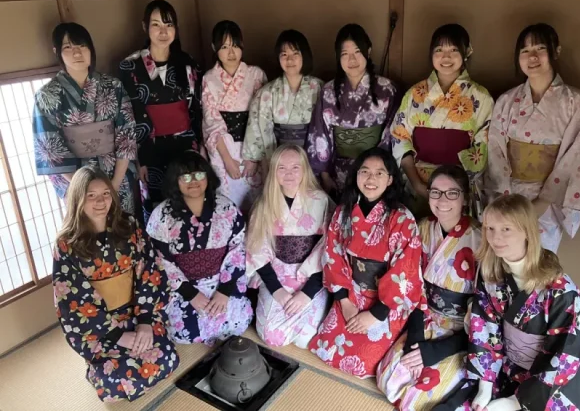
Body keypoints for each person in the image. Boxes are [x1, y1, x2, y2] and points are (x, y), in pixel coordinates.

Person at [52, 166, 178, 402]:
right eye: (91, 195)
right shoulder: (67, 244)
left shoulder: (129, 225)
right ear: (78, 198)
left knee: (167, 358)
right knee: (113, 382)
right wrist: (117, 335)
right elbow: (71, 299)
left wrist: (145, 322)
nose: (100, 201)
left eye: (105, 194)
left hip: (137, 312)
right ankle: (101, 370)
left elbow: (150, 271)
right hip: (101, 326)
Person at [308, 147, 423, 378]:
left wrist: (376, 314)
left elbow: (406, 271)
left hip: (385, 301)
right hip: (351, 293)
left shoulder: (402, 219)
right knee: (325, 347)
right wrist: (344, 301)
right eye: (365, 171)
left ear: (390, 179)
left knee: (362, 362)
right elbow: (333, 255)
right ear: (356, 175)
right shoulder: (344, 212)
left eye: (380, 173)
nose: (371, 179)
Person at [468, 194, 580, 411]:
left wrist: (514, 402)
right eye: (490, 228)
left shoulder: (562, 291)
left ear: (527, 231)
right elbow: (484, 328)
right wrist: (485, 385)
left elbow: (566, 352)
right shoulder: (492, 276)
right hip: (507, 371)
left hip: (549, 384)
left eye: (506, 229)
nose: (495, 237)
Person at [377, 165, 481, 410]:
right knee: (389, 379)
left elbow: (485, 309)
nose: (442, 200)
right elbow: (410, 283)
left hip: (462, 334)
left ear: (465, 198)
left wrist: (435, 351)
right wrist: (415, 338)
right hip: (424, 318)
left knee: (419, 397)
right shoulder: (422, 228)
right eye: (435, 192)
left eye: (452, 193)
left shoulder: (481, 239)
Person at [485, 23, 580, 253]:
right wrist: (504, 199)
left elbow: (576, 156)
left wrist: (542, 202)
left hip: (548, 202)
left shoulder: (576, 101)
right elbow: (495, 150)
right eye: (525, 51)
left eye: (540, 48)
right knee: (505, 259)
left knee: (540, 263)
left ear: (556, 51)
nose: (532, 57)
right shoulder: (506, 101)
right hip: (509, 197)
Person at [146, 151, 253, 345]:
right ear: (175, 181)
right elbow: (159, 259)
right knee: (183, 332)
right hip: (183, 285)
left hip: (221, 280)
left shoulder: (227, 208)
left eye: (199, 175)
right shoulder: (162, 215)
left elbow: (237, 250)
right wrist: (191, 294)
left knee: (240, 321)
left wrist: (224, 291)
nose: (193, 181)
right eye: (185, 177)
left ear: (208, 176)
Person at [391, 23, 493, 219]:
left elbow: (485, 146)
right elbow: (399, 138)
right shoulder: (414, 94)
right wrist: (417, 183)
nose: (446, 57)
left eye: (453, 50)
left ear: (467, 52)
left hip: (458, 189)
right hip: (417, 184)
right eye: (439, 50)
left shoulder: (481, 98)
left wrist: (454, 189)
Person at [33, 23, 137, 213]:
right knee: (88, 228)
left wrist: (114, 183)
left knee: (123, 225)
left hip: (116, 174)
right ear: (57, 51)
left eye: (82, 45)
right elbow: (50, 150)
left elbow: (127, 135)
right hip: (75, 183)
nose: (77, 53)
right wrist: (85, 188)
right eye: (68, 47)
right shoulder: (46, 95)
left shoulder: (113, 86)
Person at [119, 0, 203, 221]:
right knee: (158, 206)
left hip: (186, 144)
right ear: (145, 26)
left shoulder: (188, 63)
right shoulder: (130, 66)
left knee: (190, 199)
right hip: (150, 147)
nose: (163, 32)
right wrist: (140, 158)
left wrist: (200, 146)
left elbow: (196, 108)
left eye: (169, 25)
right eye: (156, 24)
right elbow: (130, 114)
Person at [246, 144, 334, 348]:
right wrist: (277, 290)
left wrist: (307, 293)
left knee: (307, 340)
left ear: (305, 169)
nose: (289, 174)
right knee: (272, 337)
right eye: (282, 168)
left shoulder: (321, 201)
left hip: (312, 275)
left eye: (295, 167)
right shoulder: (264, 203)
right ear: (273, 171)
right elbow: (256, 248)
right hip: (276, 275)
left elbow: (329, 248)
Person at [306, 24, 399, 196]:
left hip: (374, 175)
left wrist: (379, 169)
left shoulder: (387, 89)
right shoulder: (328, 91)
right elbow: (320, 134)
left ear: (368, 51)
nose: (352, 59)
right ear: (338, 57)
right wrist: (325, 175)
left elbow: (392, 133)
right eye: (345, 54)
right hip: (338, 173)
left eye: (357, 52)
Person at [202, 20, 267, 211]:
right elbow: (211, 122)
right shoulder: (209, 79)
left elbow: (263, 118)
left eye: (235, 46)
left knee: (257, 205)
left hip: (252, 146)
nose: (231, 53)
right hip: (223, 151)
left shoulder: (256, 75)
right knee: (228, 206)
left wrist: (254, 157)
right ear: (214, 48)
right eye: (224, 47)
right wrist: (228, 160)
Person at [242, 30, 322, 174]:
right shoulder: (267, 92)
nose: (289, 60)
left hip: (311, 156)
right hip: (279, 159)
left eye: (295, 53)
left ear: (304, 55)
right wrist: (256, 159)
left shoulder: (319, 88)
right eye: (284, 54)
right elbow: (258, 126)